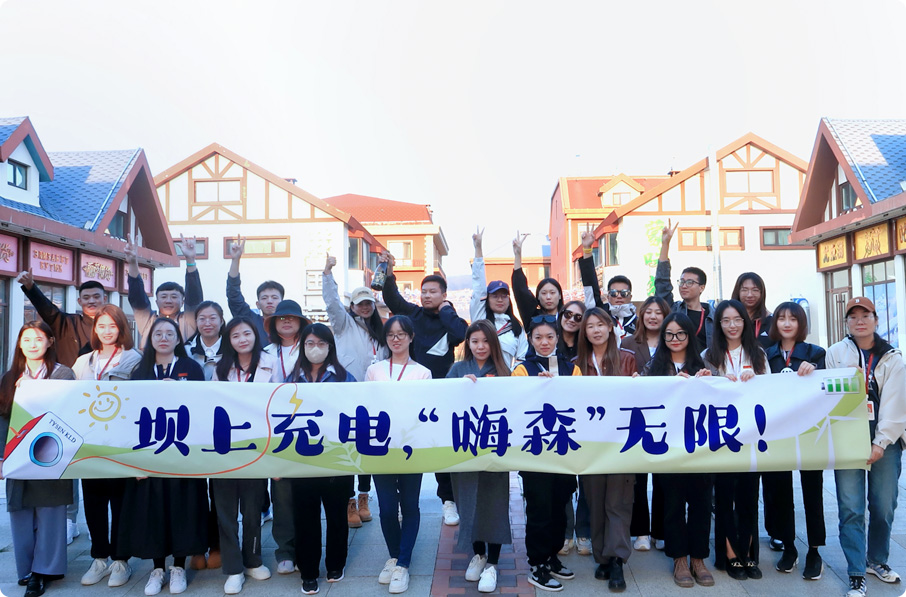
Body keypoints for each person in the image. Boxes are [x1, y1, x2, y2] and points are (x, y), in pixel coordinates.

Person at [15, 271, 108, 544]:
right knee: (65, 458)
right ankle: (69, 518)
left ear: (105, 299)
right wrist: (31, 287)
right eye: (86, 297)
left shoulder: (109, 326)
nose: (92, 301)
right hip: (65, 400)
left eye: (97, 297)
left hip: (103, 405)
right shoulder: (67, 323)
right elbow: (47, 310)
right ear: (79, 301)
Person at [118, 318, 208, 596]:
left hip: (182, 449)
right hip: (149, 450)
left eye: (170, 333)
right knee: (152, 508)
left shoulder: (191, 367)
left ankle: (179, 566)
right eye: (158, 333)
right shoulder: (140, 370)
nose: (164, 338)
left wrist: (179, 391)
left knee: (182, 506)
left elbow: (202, 405)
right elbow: (130, 413)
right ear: (151, 339)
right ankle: (157, 568)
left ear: (178, 339)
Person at [379, 253, 468, 527]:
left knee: (441, 447)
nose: (427, 296)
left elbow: (462, 334)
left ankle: (448, 500)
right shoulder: (413, 315)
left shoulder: (449, 319)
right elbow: (393, 299)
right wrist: (390, 270)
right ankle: (400, 500)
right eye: (424, 291)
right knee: (404, 443)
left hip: (441, 394)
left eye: (433, 292)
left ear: (444, 295)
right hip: (410, 393)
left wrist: (446, 310)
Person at [828, 297, 906, 597]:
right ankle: (856, 572)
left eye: (866, 315)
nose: (859, 321)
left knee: (884, 505)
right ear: (846, 322)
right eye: (853, 316)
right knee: (851, 507)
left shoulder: (892, 358)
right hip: (848, 434)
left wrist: (880, 442)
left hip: (884, 434)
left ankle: (877, 560)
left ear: (876, 319)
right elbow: (827, 397)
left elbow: (895, 406)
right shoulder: (836, 353)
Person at [0, 322, 75, 597]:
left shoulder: (63, 374)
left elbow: (66, 411)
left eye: (39, 338)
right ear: (20, 344)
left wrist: (34, 389)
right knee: (20, 510)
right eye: (27, 339)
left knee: (50, 509)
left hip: (51, 452)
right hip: (16, 453)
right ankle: (27, 569)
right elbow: (3, 419)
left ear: (50, 342)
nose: (33, 344)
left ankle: (44, 570)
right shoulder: (9, 377)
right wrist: (1, 456)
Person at [641, 313, 714, 588]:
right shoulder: (654, 366)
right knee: (672, 503)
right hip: (667, 446)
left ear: (689, 335)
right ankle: (679, 559)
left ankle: (699, 558)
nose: (675, 339)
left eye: (680, 333)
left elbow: (720, 396)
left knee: (701, 503)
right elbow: (643, 398)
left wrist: (708, 380)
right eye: (669, 334)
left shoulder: (704, 363)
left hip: (700, 446)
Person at [72, 305, 141, 589]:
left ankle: (121, 560)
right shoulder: (83, 362)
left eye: (112, 325)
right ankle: (99, 557)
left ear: (122, 327)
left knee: (121, 502)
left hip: (122, 444)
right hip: (90, 443)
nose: (107, 331)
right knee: (94, 502)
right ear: (95, 329)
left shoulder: (134, 359)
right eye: (101, 326)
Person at [365, 315, 433, 595]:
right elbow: (366, 406)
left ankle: (402, 563)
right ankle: (394, 557)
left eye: (401, 334)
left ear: (411, 337)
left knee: (410, 505)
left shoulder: (423, 373)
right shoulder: (375, 370)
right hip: (380, 447)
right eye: (391, 334)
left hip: (410, 447)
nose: (396, 339)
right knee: (386, 507)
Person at [288, 323, 356, 595]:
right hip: (301, 459)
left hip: (336, 458)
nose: (315, 349)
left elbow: (356, 412)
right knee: (305, 517)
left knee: (337, 514)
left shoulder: (345, 377)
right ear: (302, 347)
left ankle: (336, 564)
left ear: (330, 347)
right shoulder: (291, 379)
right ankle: (308, 571)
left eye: (321, 344)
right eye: (310, 343)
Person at [513, 315, 580, 592]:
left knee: (560, 506)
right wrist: (537, 388)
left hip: (564, 451)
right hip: (535, 452)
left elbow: (579, 403)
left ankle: (552, 556)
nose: (544, 342)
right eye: (538, 337)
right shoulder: (522, 370)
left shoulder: (572, 368)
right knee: (539, 509)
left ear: (557, 338)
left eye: (550, 337)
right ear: (530, 339)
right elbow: (517, 405)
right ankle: (537, 564)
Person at [446, 320, 514, 593]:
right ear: (467, 344)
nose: (480, 346)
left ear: (493, 343)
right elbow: (442, 400)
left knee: (494, 503)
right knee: (467, 502)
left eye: (485, 341)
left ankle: (493, 563)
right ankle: (478, 554)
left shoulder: (504, 371)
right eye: (475, 341)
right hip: (465, 448)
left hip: (494, 447)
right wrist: (459, 388)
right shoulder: (458, 369)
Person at [702, 300, 767, 581]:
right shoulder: (709, 355)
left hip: (751, 434)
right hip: (721, 437)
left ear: (745, 322)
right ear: (718, 324)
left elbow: (771, 390)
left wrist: (757, 379)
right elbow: (702, 392)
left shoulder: (758, 353)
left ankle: (748, 553)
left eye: (737, 319)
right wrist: (717, 380)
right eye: (726, 320)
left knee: (749, 496)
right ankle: (729, 554)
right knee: (724, 496)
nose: (732, 325)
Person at [210, 317, 275, 594]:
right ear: (229, 340)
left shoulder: (270, 364)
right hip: (224, 447)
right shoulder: (219, 367)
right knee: (225, 511)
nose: (242, 339)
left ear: (255, 335)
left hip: (256, 446)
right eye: (235, 335)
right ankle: (233, 568)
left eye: (246, 333)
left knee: (252, 509)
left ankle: (253, 559)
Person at [762, 302, 826, 580]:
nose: (787, 323)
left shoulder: (815, 353)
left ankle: (814, 550)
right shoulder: (765, 355)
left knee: (813, 491)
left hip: (809, 432)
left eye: (793, 319)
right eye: (781, 318)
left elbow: (826, 387)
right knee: (779, 493)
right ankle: (788, 546)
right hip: (776, 433)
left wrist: (816, 370)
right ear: (774, 323)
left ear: (801, 323)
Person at [323, 253, 387, 528]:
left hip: (373, 397)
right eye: (360, 303)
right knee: (348, 445)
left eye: (368, 303)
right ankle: (349, 500)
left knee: (367, 446)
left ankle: (363, 497)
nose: (365, 307)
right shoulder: (343, 324)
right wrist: (327, 274)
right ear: (352, 305)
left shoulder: (381, 331)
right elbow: (332, 304)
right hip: (347, 395)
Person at [575, 308, 637, 591]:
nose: (596, 330)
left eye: (601, 324)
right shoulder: (576, 364)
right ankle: (602, 556)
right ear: (584, 332)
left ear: (611, 327)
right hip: (590, 443)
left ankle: (617, 559)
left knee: (618, 502)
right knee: (595, 500)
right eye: (590, 326)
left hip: (621, 442)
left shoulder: (627, 359)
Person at [262, 298, 310, 575]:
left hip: (307, 426)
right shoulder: (265, 353)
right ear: (274, 323)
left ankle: (306, 548)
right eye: (281, 318)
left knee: (306, 492)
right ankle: (285, 551)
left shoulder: (311, 347)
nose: (287, 321)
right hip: (276, 430)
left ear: (301, 322)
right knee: (281, 492)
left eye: (292, 317)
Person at [620, 296, 671, 552]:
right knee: (637, 477)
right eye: (648, 311)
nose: (652, 316)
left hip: (666, 416)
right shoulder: (628, 342)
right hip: (637, 416)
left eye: (658, 312)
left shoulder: (673, 340)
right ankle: (640, 531)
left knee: (664, 477)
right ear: (641, 316)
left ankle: (660, 530)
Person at [125, 233, 203, 347]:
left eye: (174, 297)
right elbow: (137, 296)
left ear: (183, 302)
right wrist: (132, 263)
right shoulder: (148, 321)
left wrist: (190, 260)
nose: (168, 301)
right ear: (156, 301)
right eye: (164, 296)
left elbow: (194, 296)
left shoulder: (188, 321)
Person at [470, 227, 528, 369]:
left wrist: (510, 376)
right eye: (495, 296)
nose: (500, 300)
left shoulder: (516, 327)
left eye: (504, 296)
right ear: (487, 299)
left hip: (505, 379)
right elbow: (478, 286)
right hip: (480, 378)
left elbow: (522, 357)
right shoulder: (480, 317)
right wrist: (478, 248)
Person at [655, 220, 713, 350]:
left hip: (705, 363)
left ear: (702, 288)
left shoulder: (713, 315)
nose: (684, 286)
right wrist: (665, 244)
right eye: (682, 282)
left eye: (690, 282)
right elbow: (662, 283)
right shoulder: (673, 309)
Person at [226, 236, 285, 346]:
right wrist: (235, 260)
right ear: (258, 304)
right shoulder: (251, 321)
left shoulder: (289, 324)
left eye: (274, 297)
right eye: (264, 298)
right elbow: (233, 295)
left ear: (283, 302)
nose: (269, 301)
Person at [578, 230, 637, 339]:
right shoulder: (601, 313)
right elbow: (591, 287)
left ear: (630, 296)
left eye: (624, 293)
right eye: (614, 293)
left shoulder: (640, 321)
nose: (619, 296)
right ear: (608, 296)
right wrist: (587, 249)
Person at [510, 230, 564, 326]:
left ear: (559, 295)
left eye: (552, 293)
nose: (548, 297)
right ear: (538, 296)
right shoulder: (533, 318)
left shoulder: (567, 319)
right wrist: (518, 255)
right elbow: (520, 290)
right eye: (543, 293)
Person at [185, 301, 226, 381]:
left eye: (212, 318)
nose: (207, 323)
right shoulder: (187, 350)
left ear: (221, 321)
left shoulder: (231, 350)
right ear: (196, 322)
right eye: (202, 319)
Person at [731, 273, 773, 348]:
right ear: (738, 292)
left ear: (761, 293)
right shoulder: (728, 321)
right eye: (744, 290)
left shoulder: (772, 321)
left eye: (755, 290)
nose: (749, 295)